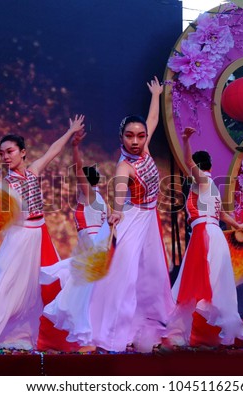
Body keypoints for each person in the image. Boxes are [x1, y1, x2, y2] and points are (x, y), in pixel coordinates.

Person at [0, 115, 85, 353]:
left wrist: (70, 131)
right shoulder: (6, 182)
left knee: (37, 291)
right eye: (2, 153)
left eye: (10, 151)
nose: (5, 157)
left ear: (23, 152)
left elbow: (53, 151)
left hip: (39, 236)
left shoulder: (33, 171)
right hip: (20, 238)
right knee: (2, 286)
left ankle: (26, 337)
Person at [87, 76, 175, 352]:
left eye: (140, 136)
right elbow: (119, 193)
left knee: (153, 271)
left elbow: (152, 119)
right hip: (134, 218)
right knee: (125, 275)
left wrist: (156, 95)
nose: (136, 141)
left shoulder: (144, 146)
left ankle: (149, 322)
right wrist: (114, 211)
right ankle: (113, 334)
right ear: (121, 137)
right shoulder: (124, 166)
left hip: (149, 218)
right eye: (130, 136)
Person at [164, 127, 243, 348]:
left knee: (203, 285)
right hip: (212, 235)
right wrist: (237, 223)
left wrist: (185, 140)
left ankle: (201, 333)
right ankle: (209, 334)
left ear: (202, 167)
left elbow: (188, 163)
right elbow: (221, 213)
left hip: (206, 237)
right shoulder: (207, 187)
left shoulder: (203, 181)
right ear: (211, 165)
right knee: (212, 285)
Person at [41, 130, 109, 349]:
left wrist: (75, 148)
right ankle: (90, 337)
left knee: (80, 294)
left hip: (92, 246)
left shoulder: (89, 195)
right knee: (84, 293)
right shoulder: (98, 198)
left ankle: (88, 338)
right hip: (92, 246)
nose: (77, 184)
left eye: (80, 182)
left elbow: (78, 170)